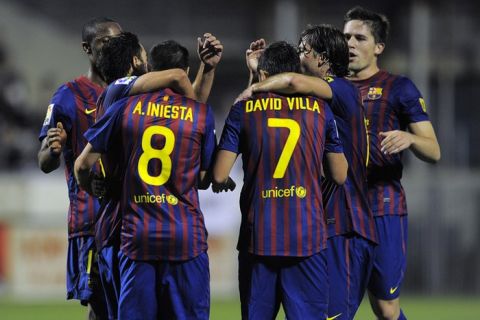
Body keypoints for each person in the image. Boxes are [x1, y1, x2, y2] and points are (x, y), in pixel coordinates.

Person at [240, 24, 378, 320]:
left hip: (347, 223)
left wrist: (259, 84)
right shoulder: (315, 102)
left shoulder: (340, 88)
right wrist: (258, 72)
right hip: (328, 222)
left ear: (323, 58)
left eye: (303, 50)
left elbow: (290, 81)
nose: (299, 55)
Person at [92, 32, 223, 319]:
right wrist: (195, 112)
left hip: (132, 232)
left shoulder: (127, 106)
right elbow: (184, 94)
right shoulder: (119, 90)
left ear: (150, 67)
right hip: (151, 231)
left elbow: (83, 163)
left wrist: (207, 70)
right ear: (138, 63)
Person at [214, 41, 348, 320]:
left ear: (262, 76)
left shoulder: (243, 110)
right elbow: (339, 174)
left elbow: (219, 174)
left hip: (259, 235)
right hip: (307, 237)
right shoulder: (320, 109)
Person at [343, 6, 441, 320]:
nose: (350, 44)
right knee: (335, 308)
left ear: (379, 47)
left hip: (382, 206)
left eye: (359, 37)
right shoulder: (328, 87)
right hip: (339, 209)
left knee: (385, 307)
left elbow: (434, 150)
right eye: (346, 36)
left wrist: (410, 139)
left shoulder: (399, 87)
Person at [37, 17, 122, 319]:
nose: (114, 49)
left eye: (118, 41)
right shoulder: (68, 95)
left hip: (131, 220)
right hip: (91, 223)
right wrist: (52, 148)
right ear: (87, 48)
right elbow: (45, 161)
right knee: (100, 309)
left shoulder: (133, 89)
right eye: (105, 42)